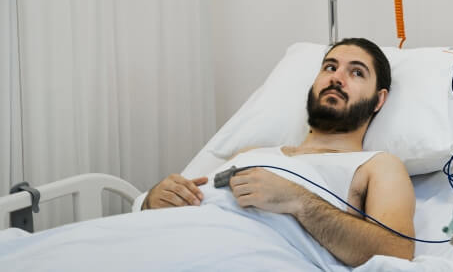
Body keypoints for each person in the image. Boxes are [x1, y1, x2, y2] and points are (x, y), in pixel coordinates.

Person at [142, 37, 416, 266]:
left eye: (356, 72)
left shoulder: (376, 165)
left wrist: (299, 201)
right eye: (329, 67)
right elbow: (188, 196)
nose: (337, 78)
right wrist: (155, 200)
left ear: (379, 100)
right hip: (168, 242)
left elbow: (397, 252)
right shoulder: (252, 153)